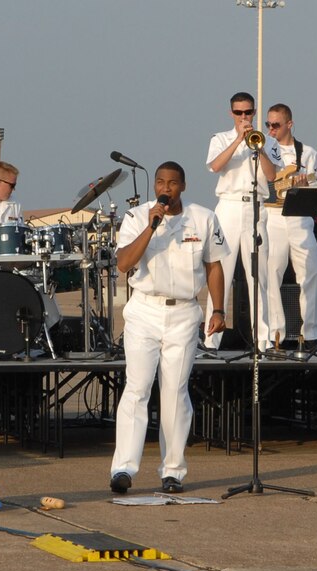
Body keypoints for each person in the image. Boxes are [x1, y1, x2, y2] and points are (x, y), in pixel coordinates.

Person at [109, 161, 229, 494]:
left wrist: (218, 309)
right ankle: (123, 469)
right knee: (137, 388)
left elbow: (214, 266)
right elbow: (124, 263)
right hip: (145, 310)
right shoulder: (137, 217)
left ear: (183, 186)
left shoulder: (204, 218)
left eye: (172, 183)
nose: (165, 188)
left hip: (184, 313)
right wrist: (151, 227)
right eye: (160, 182)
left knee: (175, 392)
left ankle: (173, 471)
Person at [204, 91, 281, 352]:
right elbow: (215, 166)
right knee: (220, 272)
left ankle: (263, 340)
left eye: (248, 112)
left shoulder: (268, 141)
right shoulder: (220, 139)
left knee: (258, 274)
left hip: (255, 206)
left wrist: (259, 148)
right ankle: (211, 340)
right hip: (228, 205)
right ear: (231, 113)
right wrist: (238, 139)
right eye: (238, 112)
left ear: (254, 112)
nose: (243, 116)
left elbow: (271, 176)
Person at [263, 103, 317, 349]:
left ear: (289, 124)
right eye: (268, 124)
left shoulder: (307, 153)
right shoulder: (262, 149)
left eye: (276, 125)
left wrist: (305, 185)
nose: (271, 129)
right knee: (271, 273)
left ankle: (311, 334)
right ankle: (275, 334)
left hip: (299, 216)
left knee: (312, 271)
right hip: (272, 216)